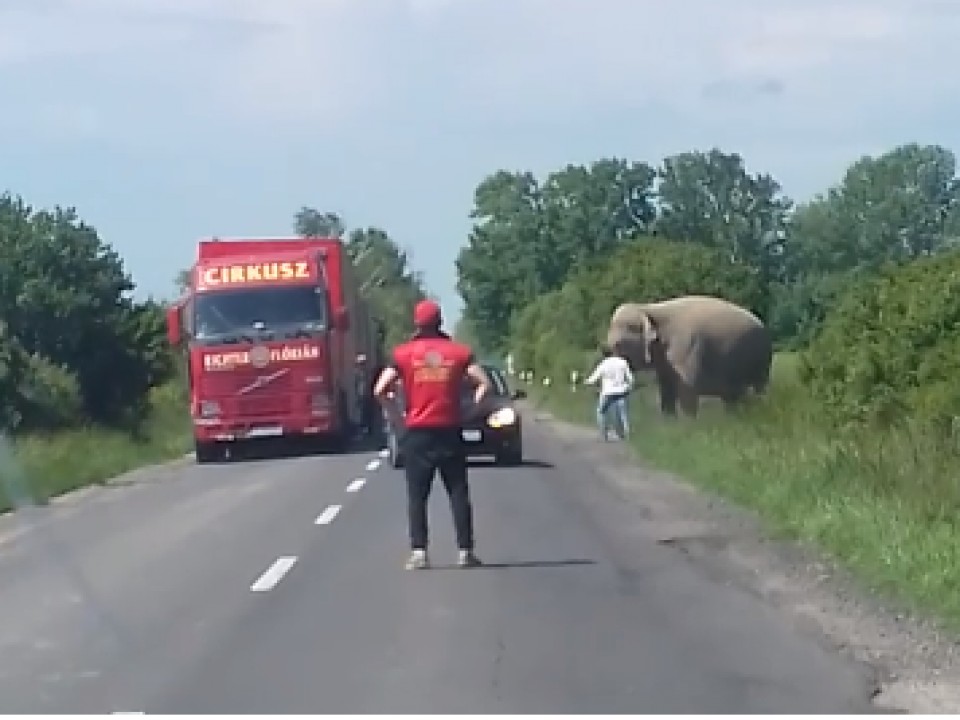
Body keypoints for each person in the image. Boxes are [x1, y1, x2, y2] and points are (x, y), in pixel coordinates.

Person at [373, 299, 493, 570]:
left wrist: (397, 418)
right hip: (450, 429)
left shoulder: (403, 355)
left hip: (417, 432)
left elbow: (380, 389)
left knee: (417, 494)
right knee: (458, 491)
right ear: (440, 321)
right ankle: (465, 551)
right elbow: (484, 383)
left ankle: (419, 552)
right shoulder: (459, 353)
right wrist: (471, 411)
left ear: (417, 323)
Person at [583, 345, 634, 441]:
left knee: (601, 411)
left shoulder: (603, 364)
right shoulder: (622, 362)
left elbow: (594, 378)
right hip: (622, 391)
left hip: (608, 392)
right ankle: (626, 434)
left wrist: (586, 382)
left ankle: (604, 433)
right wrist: (630, 386)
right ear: (613, 352)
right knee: (623, 413)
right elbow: (630, 377)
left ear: (603, 355)